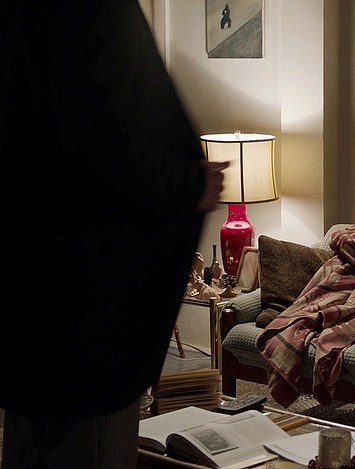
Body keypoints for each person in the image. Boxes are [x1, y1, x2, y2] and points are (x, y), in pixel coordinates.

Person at [0, 1, 227, 468]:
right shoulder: (89, 12)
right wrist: (188, 184)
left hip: (25, 299)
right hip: (89, 311)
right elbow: (110, 137)